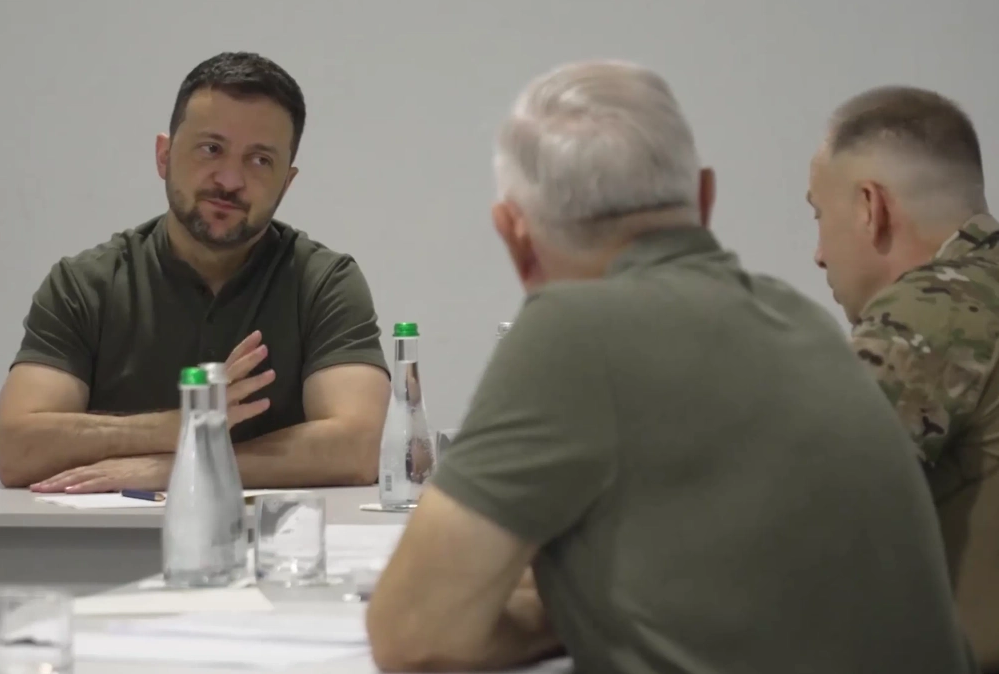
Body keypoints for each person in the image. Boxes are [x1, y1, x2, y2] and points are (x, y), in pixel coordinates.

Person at [365, 61, 974, 673]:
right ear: (704, 198)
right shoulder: (801, 319)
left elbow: (414, 634)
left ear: (515, 234)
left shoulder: (572, 330)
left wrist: (565, 611)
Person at [0, 52, 390, 492]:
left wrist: (177, 469)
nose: (230, 180)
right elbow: (17, 450)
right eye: (211, 149)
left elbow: (359, 449)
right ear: (164, 156)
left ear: (287, 182)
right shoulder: (85, 284)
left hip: (272, 536)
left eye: (260, 160)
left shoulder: (324, 282)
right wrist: (178, 426)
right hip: (108, 537)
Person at [809, 85, 999, 671]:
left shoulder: (933, 310)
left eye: (819, 216)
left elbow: (796, 499)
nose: (818, 254)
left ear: (871, 207)